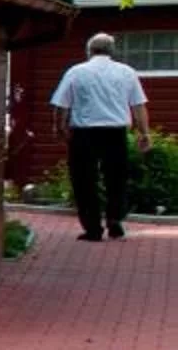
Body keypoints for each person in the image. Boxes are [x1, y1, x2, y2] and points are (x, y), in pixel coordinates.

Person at [50, 31, 155, 241]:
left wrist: (59, 127)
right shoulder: (127, 72)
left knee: (84, 180)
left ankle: (92, 228)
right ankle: (115, 220)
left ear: (89, 51)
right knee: (117, 178)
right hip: (115, 132)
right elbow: (138, 106)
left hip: (84, 133)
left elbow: (61, 104)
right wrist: (144, 133)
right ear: (112, 51)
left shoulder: (76, 72)